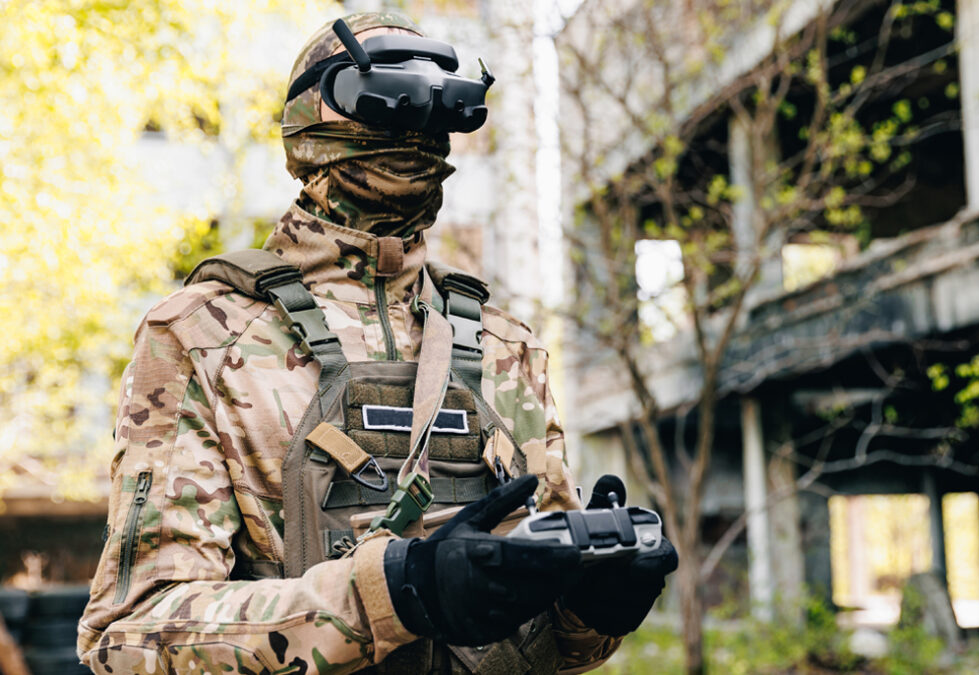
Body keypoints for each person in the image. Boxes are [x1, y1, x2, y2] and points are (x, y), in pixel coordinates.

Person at [78, 11, 676, 674]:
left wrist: (590, 610)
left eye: (434, 116)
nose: (416, 138)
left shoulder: (506, 345)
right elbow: (130, 638)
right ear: (315, 127)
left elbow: (545, 644)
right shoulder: (207, 335)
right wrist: (394, 593)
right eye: (390, 109)